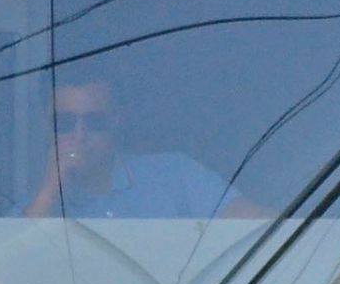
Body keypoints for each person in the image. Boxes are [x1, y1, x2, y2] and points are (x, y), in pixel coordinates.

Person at [21, 74, 236, 219]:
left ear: (116, 120)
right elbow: (5, 271)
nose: (80, 135)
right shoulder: (33, 206)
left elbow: (257, 228)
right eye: (65, 123)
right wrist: (49, 190)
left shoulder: (175, 176)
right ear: (46, 126)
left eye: (96, 122)